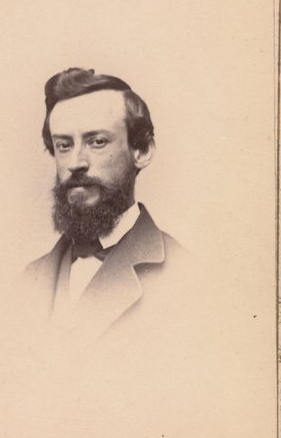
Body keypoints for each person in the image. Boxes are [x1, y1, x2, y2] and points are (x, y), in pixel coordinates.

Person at [23, 67, 187, 349]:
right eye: (64, 145)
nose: (75, 162)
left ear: (142, 151)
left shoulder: (184, 277)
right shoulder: (27, 282)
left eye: (97, 142)